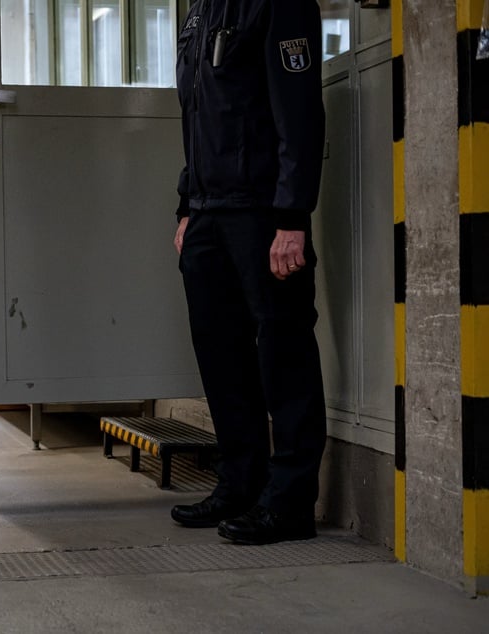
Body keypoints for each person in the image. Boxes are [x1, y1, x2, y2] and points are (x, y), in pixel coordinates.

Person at [169, 0, 327, 544]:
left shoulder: (276, 5)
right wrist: (187, 206)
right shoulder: (198, 15)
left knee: (283, 353)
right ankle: (239, 483)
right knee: (221, 353)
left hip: (263, 212)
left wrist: (292, 216)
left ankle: (288, 503)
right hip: (208, 213)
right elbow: (197, 117)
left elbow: (300, 113)